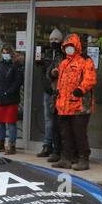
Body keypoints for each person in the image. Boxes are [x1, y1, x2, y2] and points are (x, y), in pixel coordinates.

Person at [54, 33, 97, 171]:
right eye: (66, 47)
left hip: (80, 105)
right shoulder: (64, 63)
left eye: (71, 46)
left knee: (79, 133)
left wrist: (81, 89)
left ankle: (83, 159)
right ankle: (66, 158)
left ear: (76, 46)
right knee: (65, 134)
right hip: (64, 105)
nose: (68, 49)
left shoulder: (85, 60)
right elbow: (60, 81)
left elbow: (90, 78)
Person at [0, 44, 24, 154]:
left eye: (7, 53)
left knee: (11, 123)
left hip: (11, 99)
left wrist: (7, 92)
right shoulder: (0, 65)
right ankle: (0, 144)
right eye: (3, 53)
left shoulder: (16, 66)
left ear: (11, 53)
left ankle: (12, 146)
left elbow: (18, 82)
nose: (5, 55)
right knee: (0, 123)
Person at [38, 28, 65, 160]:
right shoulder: (47, 53)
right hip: (48, 91)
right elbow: (43, 72)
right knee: (48, 120)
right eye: (51, 40)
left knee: (57, 122)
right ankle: (47, 145)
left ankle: (57, 148)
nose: (53, 42)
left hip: (59, 92)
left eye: (56, 39)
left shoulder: (64, 54)